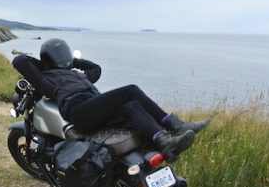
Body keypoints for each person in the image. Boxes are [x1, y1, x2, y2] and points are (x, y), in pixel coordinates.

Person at [12, 38, 210, 162]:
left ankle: (164, 141)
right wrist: (44, 66)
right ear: (49, 59)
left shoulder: (79, 76)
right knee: (131, 90)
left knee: (131, 105)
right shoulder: (46, 79)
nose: (63, 59)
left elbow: (95, 68)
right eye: (60, 56)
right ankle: (175, 125)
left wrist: (74, 62)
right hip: (78, 110)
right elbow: (19, 61)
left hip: (93, 107)